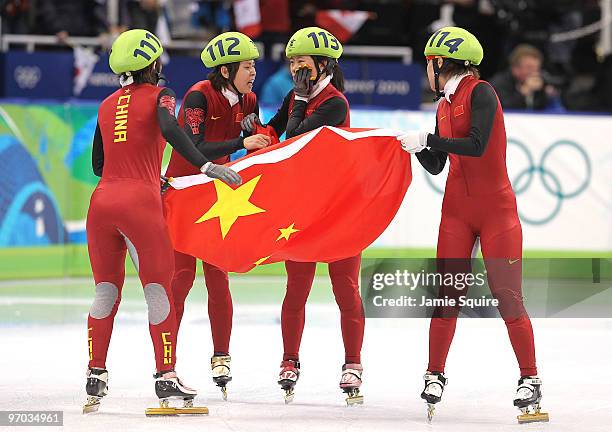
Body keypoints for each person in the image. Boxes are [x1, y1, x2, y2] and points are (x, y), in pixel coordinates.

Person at [83, 29, 242, 414]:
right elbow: (173, 130)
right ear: (152, 64)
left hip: (102, 203)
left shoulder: (105, 104)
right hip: (141, 203)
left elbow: (98, 165)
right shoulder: (162, 96)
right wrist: (206, 166)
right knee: (159, 292)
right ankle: (166, 378)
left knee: (106, 291)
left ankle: (95, 374)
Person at [397, 27, 548, 423]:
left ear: (440, 62)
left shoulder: (481, 92)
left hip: (496, 212)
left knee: (507, 297)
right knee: (447, 297)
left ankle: (530, 378)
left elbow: (477, 144)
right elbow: (438, 163)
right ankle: (434, 373)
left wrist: (428, 137)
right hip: (456, 213)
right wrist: (413, 148)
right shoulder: (442, 104)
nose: (427, 70)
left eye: (429, 63)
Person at [245, 26, 365, 406]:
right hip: (302, 208)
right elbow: (276, 130)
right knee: (296, 288)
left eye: (301, 61)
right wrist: (257, 130)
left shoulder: (335, 103)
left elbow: (295, 137)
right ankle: (290, 359)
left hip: (339, 208)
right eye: (291, 61)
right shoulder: (295, 95)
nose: (295, 66)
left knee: (344, 288)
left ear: (322, 64)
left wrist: (295, 100)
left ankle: (352, 363)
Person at [164, 31, 271, 400]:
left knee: (217, 275)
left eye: (254, 64)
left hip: (218, 193)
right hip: (185, 190)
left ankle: (221, 354)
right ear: (225, 70)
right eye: (246, 65)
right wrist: (240, 142)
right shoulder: (197, 96)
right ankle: (168, 363)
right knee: (181, 278)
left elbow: (261, 135)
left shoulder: (250, 98)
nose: (253, 71)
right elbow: (194, 148)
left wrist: (258, 131)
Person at [490, 44, 553, 110]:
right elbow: (503, 109)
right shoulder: (499, 83)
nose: (535, 72)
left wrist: (547, 95)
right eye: (530, 68)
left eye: (537, 68)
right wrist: (524, 92)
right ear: (515, 68)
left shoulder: (540, 83)